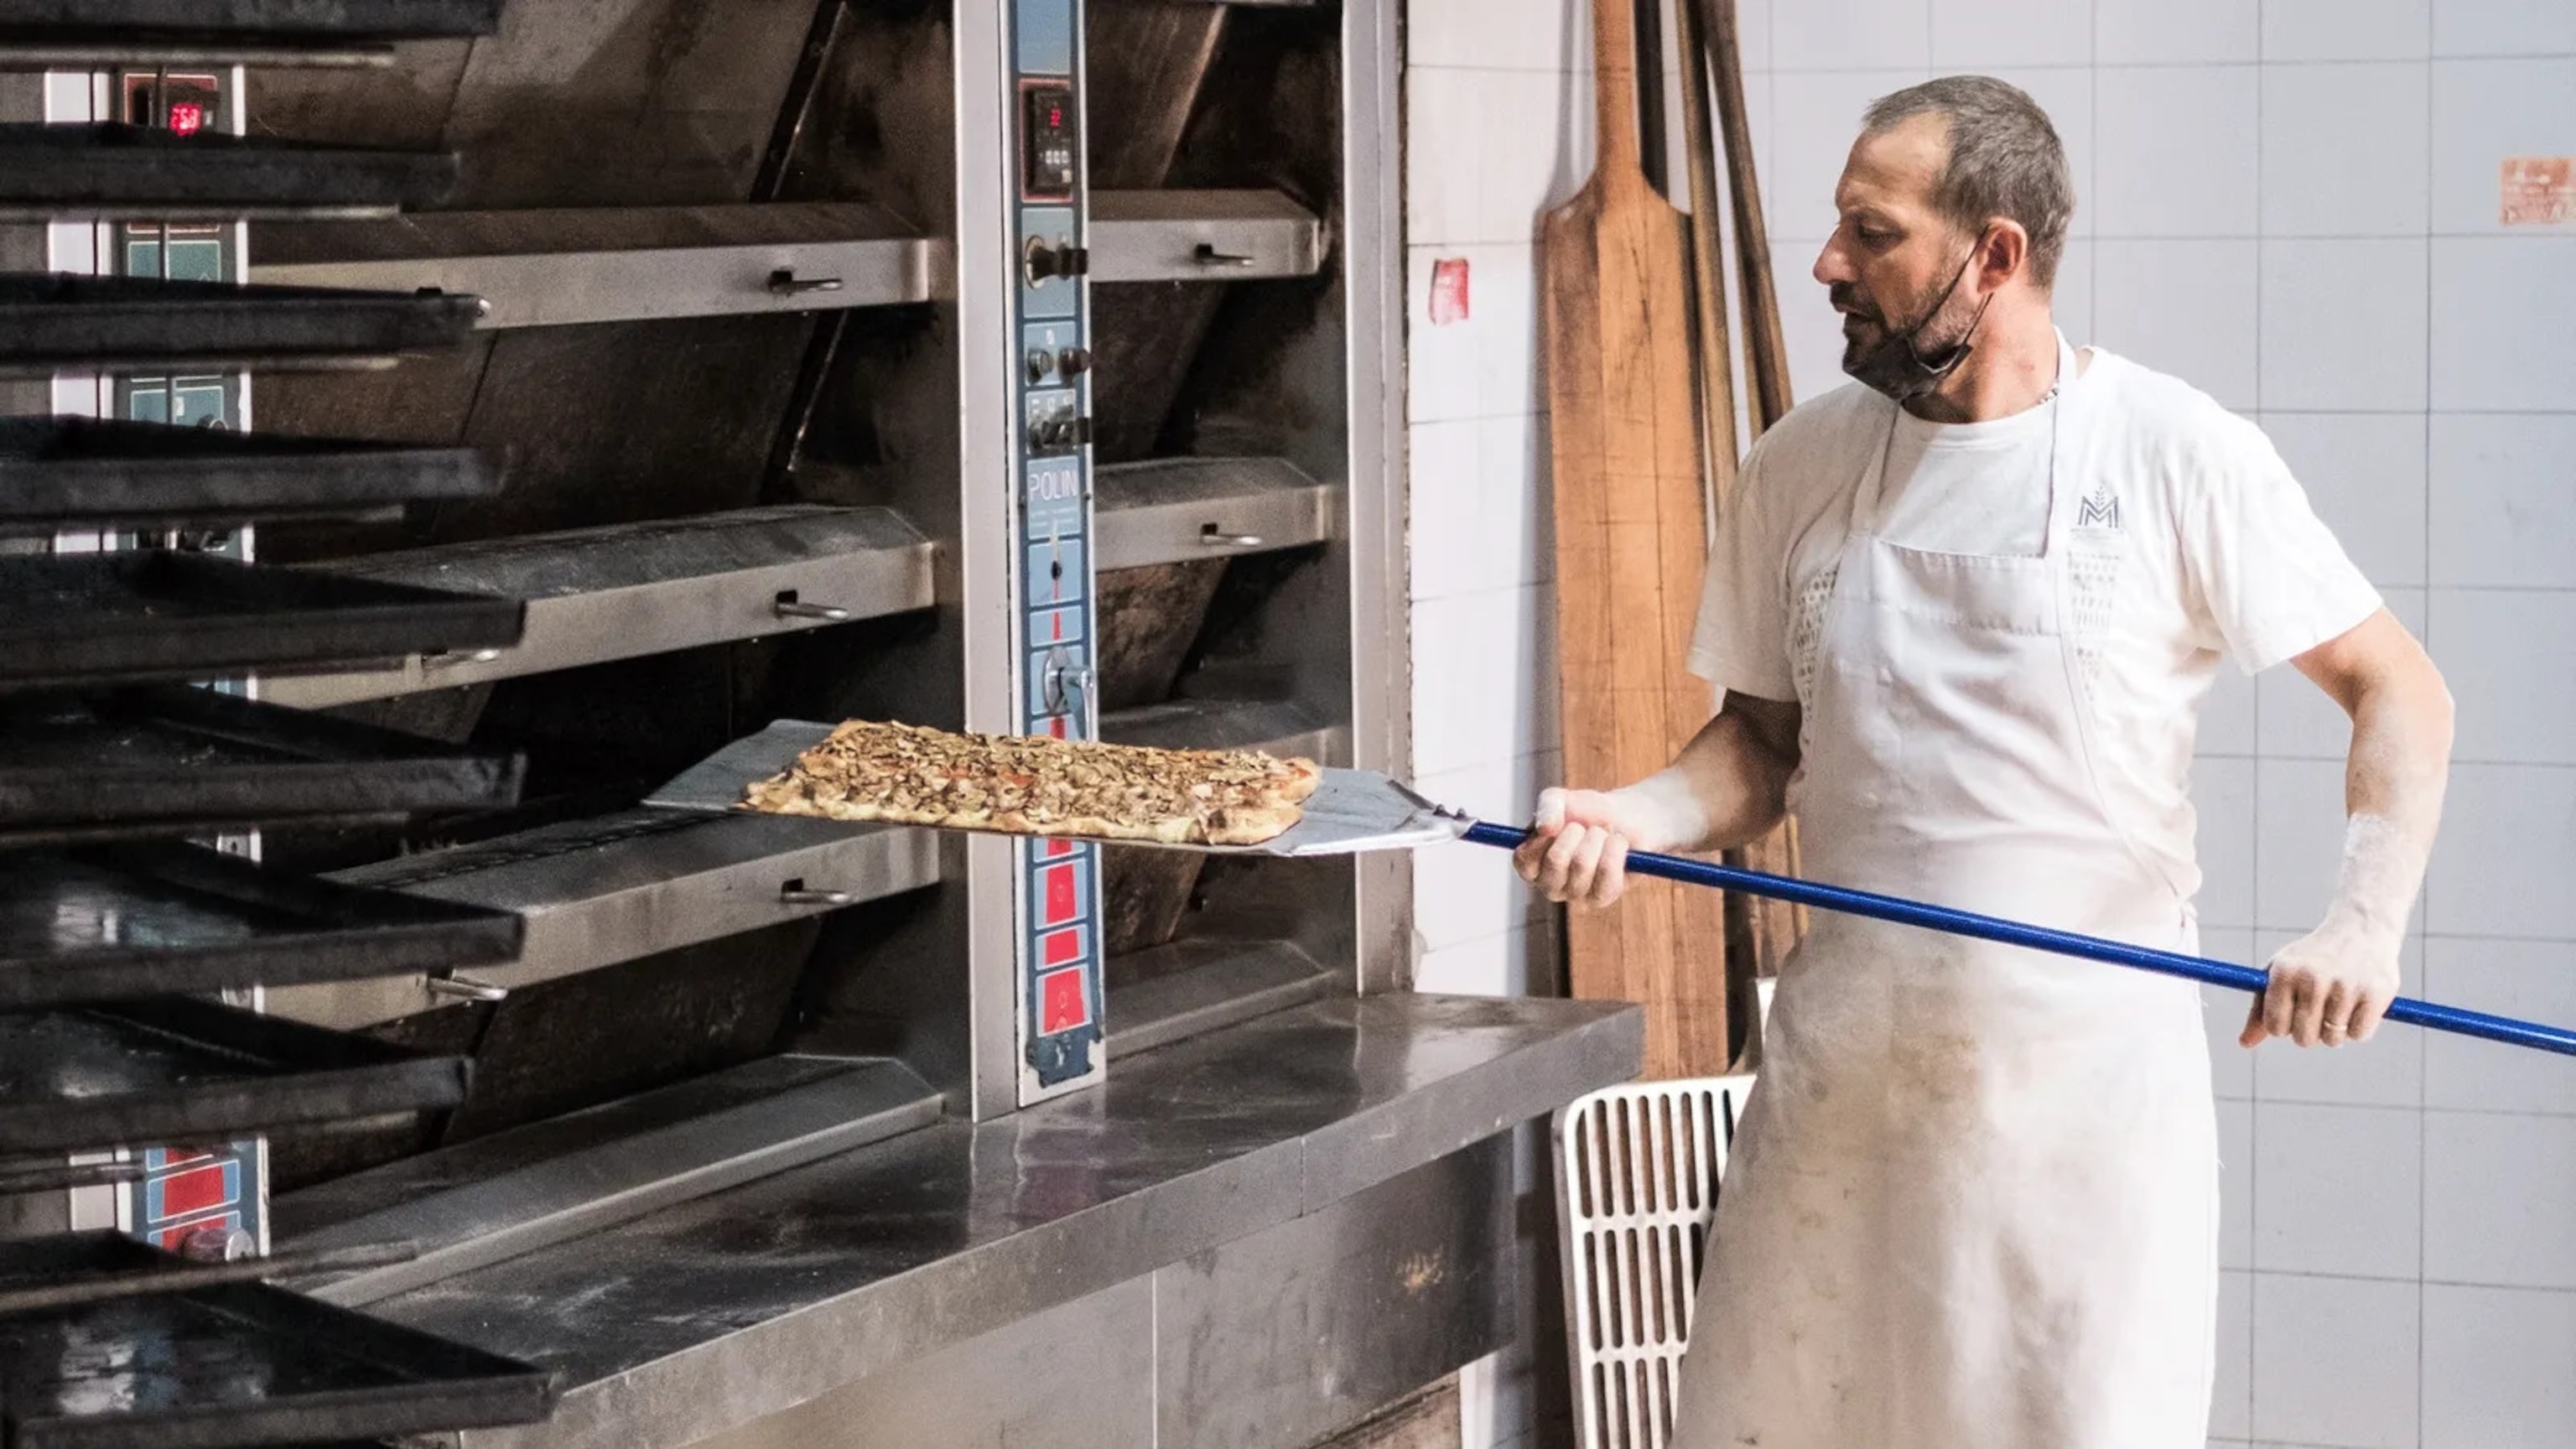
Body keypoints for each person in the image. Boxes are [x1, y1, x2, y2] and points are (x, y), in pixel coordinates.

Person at [1514, 75, 2454, 1449]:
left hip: (2078, 1127)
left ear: (1995, 254)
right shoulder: (1801, 462)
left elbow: (2400, 689)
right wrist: (1635, 816)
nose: (1828, 264)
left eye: (1872, 233)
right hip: (1843, 1102)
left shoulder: (2173, 454)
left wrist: (2362, 925)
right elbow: (1764, 744)